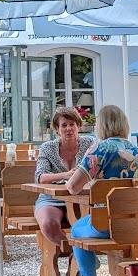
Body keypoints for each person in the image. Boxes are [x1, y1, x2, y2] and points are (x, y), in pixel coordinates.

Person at [65, 105, 138, 276]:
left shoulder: (99, 149)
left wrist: (76, 180)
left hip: (106, 225)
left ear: (101, 126)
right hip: (135, 225)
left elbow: (73, 188)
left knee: (76, 230)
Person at [32, 107, 94, 249]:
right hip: (52, 199)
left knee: (98, 222)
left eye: (72, 124)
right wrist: (66, 175)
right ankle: (75, 252)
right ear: (57, 129)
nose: (68, 129)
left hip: (83, 198)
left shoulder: (89, 143)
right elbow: (40, 177)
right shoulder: (48, 148)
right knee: (48, 224)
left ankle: (83, 256)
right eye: (64, 125)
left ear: (79, 126)